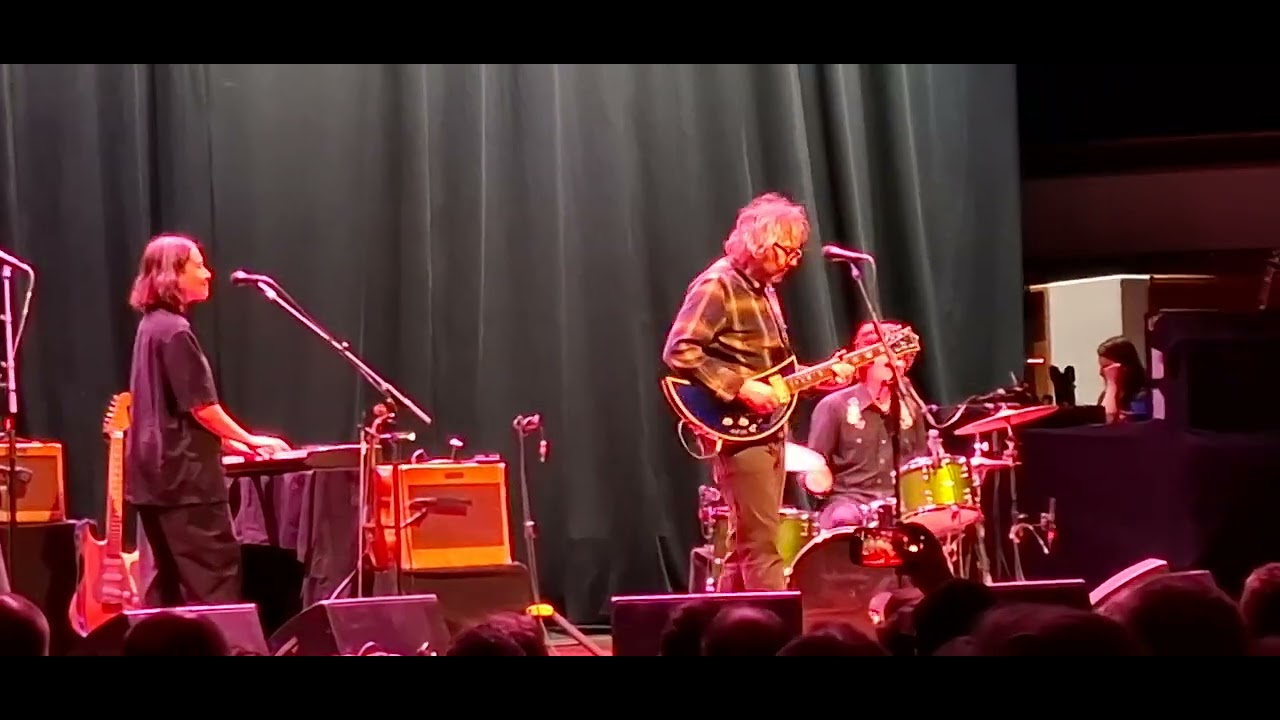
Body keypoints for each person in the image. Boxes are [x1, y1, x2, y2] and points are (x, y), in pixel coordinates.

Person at [662, 192, 854, 591]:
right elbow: (679, 350)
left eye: (798, 253)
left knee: (743, 548)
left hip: (765, 429)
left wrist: (824, 377)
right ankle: (778, 636)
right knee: (763, 547)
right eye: (788, 250)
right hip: (740, 431)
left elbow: (772, 372)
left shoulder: (762, 289)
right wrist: (740, 387)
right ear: (760, 242)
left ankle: (731, 631)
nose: (794, 261)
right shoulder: (719, 284)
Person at [125, 234, 291, 608]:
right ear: (173, 274)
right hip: (187, 485)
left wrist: (228, 443)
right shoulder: (176, 331)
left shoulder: (151, 327)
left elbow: (170, 410)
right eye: (198, 265)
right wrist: (251, 440)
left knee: (166, 588)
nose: (208, 273)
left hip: (153, 482)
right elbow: (201, 407)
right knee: (212, 584)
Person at [805, 320, 929, 530]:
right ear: (868, 358)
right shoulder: (834, 406)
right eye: (888, 356)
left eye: (900, 357)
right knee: (845, 519)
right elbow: (811, 466)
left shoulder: (910, 405)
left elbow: (918, 463)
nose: (897, 363)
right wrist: (816, 478)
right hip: (850, 501)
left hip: (900, 502)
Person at [1096, 335, 1151, 424]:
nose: (1101, 373)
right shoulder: (1105, 396)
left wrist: (1112, 384)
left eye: (1106, 367)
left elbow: (1108, 420)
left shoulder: (1142, 396)